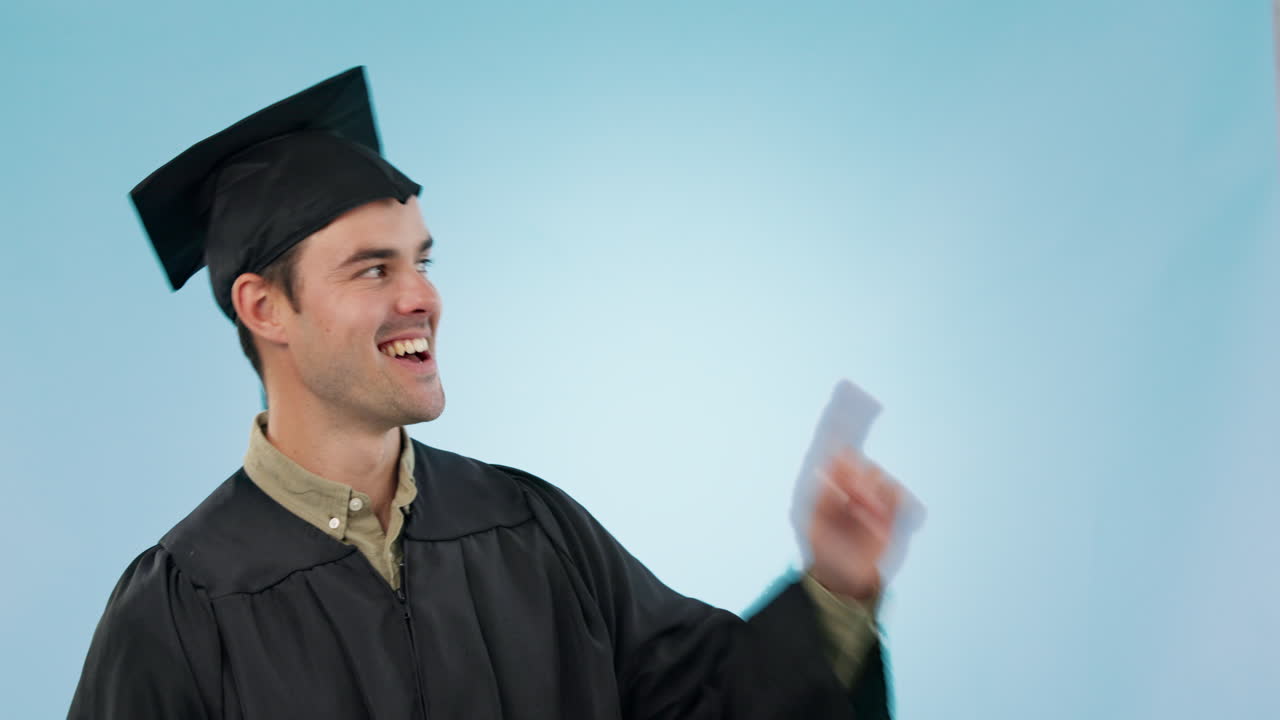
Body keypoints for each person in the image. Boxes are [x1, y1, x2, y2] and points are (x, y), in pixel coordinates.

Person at [69, 67, 905, 719]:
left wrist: (833, 588)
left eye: (421, 261)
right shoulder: (180, 611)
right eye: (374, 268)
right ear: (264, 308)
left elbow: (712, 705)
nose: (422, 297)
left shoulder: (533, 533)